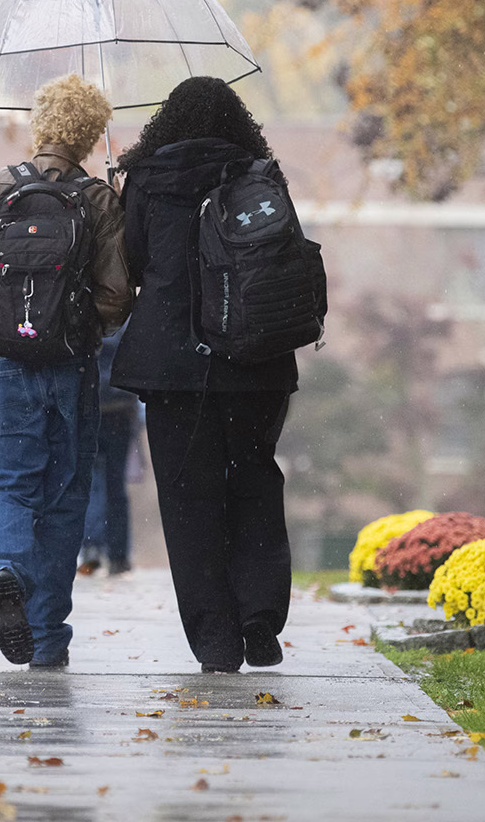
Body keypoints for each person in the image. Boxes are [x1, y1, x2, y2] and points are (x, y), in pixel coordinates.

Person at [111, 76, 300, 673]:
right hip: (254, 359)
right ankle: (259, 615)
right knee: (254, 481)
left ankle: (215, 640)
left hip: (174, 366)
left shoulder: (147, 179)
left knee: (189, 500)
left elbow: (133, 263)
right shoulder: (260, 174)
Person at [0, 74, 131, 667]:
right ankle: (48, 637)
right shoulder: (97, 199)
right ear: (90, 133)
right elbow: (118, 296)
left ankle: (4, 569)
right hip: (71, 369)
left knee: (6, 479)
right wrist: (72, 320)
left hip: (3, 363)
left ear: (41, 123)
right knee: (64, 497)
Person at [79, 331, 141, 576]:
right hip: (120, 407)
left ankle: (92, 546)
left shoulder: (84, 308)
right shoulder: (125, 315)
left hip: (91, 405)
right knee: (116, 484)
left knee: (90, 480)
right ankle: (118, 554)